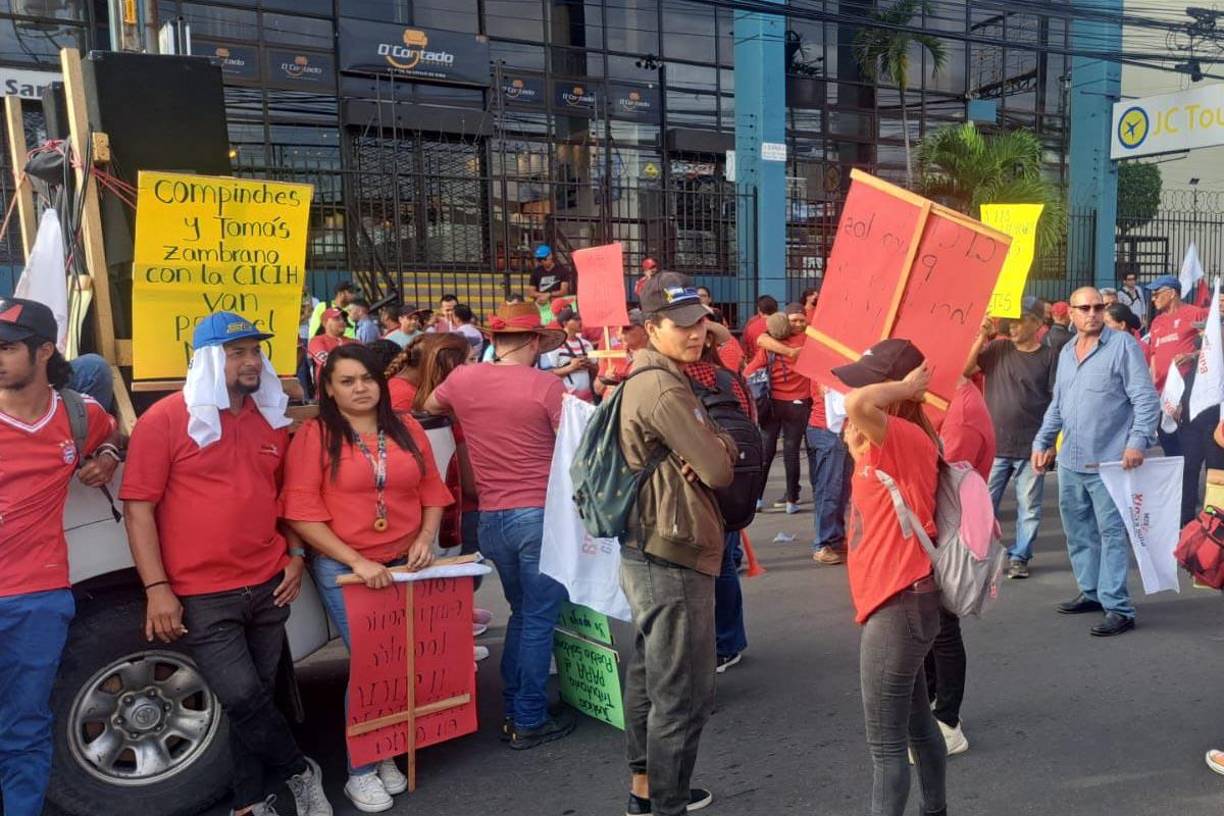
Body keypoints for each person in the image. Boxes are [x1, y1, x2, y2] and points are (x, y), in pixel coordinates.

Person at [119, 312, 332, 816]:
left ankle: (248, 803)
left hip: (268, 582)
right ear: (210, 360)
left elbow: (284, 498)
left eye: (255, 351)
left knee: (257, 698)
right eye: (237, 353)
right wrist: (157, 587)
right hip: (202, 592)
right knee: (241, 696)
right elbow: (138, 508)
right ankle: (299, 770)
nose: (251, 361)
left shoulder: (269, 418)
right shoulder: (165, 420)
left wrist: (295, 555)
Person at [282, 344, 452, 813]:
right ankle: (360, 771)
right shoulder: (315, 435)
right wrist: (356, 561)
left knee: (401, 662)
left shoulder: (406, 427)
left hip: (405, 564)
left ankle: (385, 750)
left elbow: (432, 490)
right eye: (347, 381)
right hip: (346, 569)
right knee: (373, 667)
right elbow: (300, 511)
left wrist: (426, 538)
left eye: (367, 379)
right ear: (329, 389)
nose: (360, 388)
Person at [423, 302, 575, 749]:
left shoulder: (463, 379)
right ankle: (527, 716)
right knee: (537, 618)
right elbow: (574, 446)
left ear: (495, 339)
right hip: (538, 515)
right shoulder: (546, 386)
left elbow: (429, 405)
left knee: (524, 613)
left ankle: (519, 705)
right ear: (534, 342)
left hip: (492, 517)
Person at [618, 272, 736, 816]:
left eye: (700, 322)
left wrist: (711, 445)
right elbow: (717, 469)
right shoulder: (664, 387)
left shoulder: (649, 375)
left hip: (649, 544)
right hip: (671, 547)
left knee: (651, 673)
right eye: (682, 325)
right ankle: (665, 803)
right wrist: (724, 443)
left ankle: (646, 789)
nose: (696, 333)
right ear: (651, 327)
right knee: (683, 693)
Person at [0, 297, 119, 816]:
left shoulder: (77, 413)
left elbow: (112, 432)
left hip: (37, 597)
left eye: (7, 348)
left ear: (44, 351)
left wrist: (107, 456)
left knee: (24, 727)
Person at [834, 338, 946, 816]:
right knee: (918, 725)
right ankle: (935, 809)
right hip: (902, 600)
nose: (858, 393)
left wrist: (907, 386)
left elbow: (856, 403)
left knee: (886, 747)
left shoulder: (904, 437)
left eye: (873, 384)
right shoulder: (890, 441)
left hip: (898, 604)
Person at [1032, 287, 1160, 637]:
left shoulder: (1123, 346)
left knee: (1111, 534)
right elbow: (1058, 404)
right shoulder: (1067, 352)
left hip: (1109, 462)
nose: (1092, 313)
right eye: (1085, 308)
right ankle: (1091, 592)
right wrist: (1043, 441)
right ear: (1071, 314)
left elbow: (1145, 399)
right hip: (1071, 461)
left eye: (1098, 307)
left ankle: (1119, 607)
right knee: (1078, 532)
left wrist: (1137, 442)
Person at [923, 377, 996, 758]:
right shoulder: (944, 395)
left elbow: (942, 478)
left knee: (942, 628)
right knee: (931, 628)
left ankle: (947, 720)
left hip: (947, 533)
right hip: (937, 530)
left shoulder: (961, 408)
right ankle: (935, 706)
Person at [965, 299, 1058, 579]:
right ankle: (980, 553)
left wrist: (1050, 443)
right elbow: (966, 370)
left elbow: (1057, 401)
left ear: (1037, 323)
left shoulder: (1050, 357)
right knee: (983, 505)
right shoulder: (998, 349)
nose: (1013, 327)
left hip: (1032, 446)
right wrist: (982, 336)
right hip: (995, 445)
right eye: (1011, 321)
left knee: (1029, 507)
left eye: (1020, 321)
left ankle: (1020, 557)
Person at [685, 331, 754, 673]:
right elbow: (752, 427)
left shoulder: (675, 380)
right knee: (724, 563)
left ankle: (711, 645)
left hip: (696, 483)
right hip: (736, 482)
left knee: (701, 568)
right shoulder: (732, 379)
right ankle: (728, 642)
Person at [744, 309, 811, 513]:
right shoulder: (806, 342)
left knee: (766, 451)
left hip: (772, 404)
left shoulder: (768, 348)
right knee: (792, 451)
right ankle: (791, 501)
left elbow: (748, 372)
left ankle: (757, 499)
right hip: (799, 403)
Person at [1148, 274, 1209, 457]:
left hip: (1186, 389)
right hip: (1163, 393)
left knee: (1186, 444)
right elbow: (1153, 355)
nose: (1153, 299)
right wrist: (1152, 387)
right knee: (1168, 441)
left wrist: (1192, 356)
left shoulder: (1196, 314)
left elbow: (1213, 346)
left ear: (1172, 293)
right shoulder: (1157, 322)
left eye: (1156, 294)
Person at [806, 376, 852, 565]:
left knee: (841, 490)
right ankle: (823, 543)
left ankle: (833, 539)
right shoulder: (824, 371)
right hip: (828, 431)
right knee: (830, 489)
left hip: (838, 430)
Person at [539, 306, 597, 401]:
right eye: (576, 319)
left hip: (588, 398)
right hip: (566, 399)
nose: (580, 322)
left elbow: (597, 369)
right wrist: (571, 367)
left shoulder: (586, 344)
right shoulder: (555, 346)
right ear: (565, 323)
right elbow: (548, 374)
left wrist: (589, 365)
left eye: (580, 319)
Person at [595, 310, 649, 398]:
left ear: (645, 329)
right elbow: (597, 389)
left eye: (626, 329)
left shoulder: (657, 357)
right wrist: (606, 380)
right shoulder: (613, 356)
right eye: (618, 330)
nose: (619, 337)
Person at [308, 308, 353, 387]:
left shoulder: (354, 342)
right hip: (329, 387)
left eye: (343, 319)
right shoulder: (317, 340)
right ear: (325, 323)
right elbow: (326, 362)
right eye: (337, 319)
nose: (342, 321)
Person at [741, 295, 778, 360]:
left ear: (759, 309)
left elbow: (745, 347)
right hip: (778, 361)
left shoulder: (752, 324)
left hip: (756, 361)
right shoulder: (782, 323)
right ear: (776, 309)